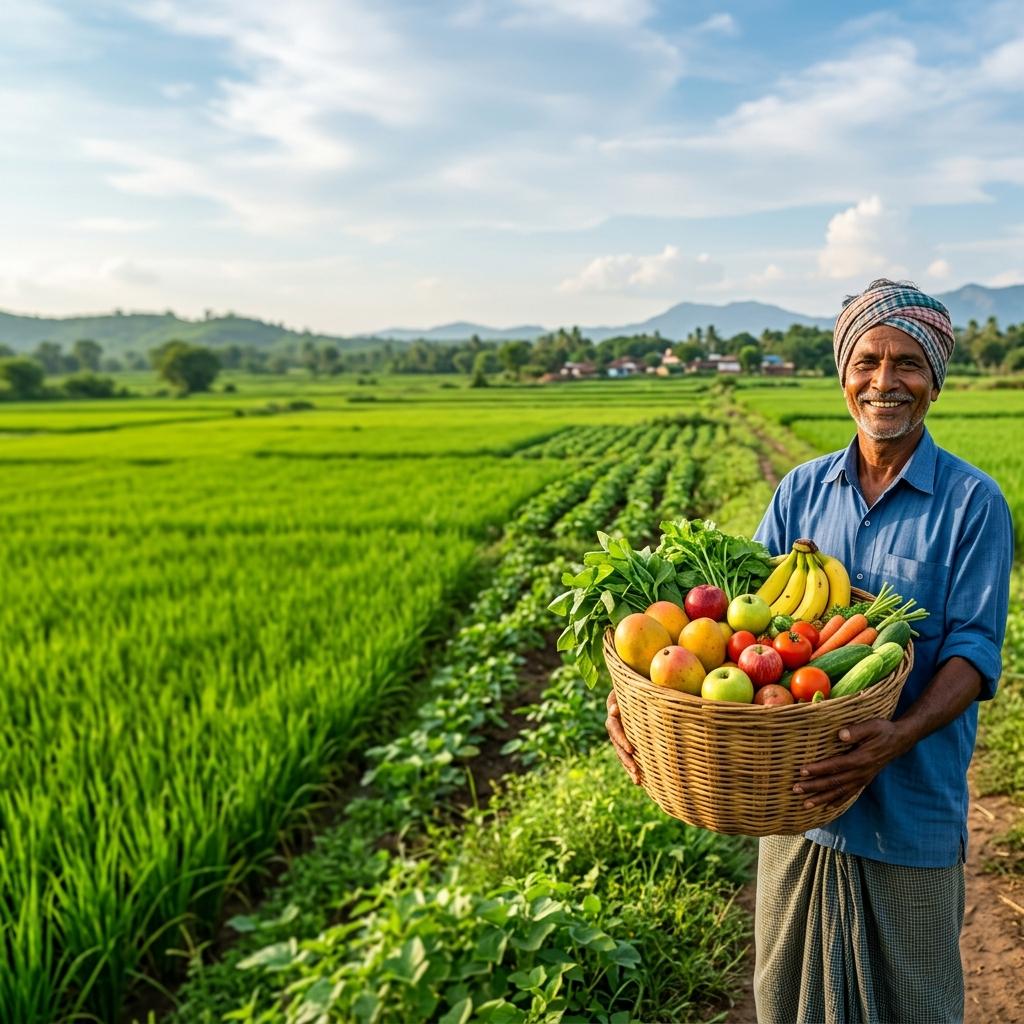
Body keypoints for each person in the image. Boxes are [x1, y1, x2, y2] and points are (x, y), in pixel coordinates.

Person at [605, 279, 1013, 1024]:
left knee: (915, 1004)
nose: (884, 382)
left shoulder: (973, 503)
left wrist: (894, 738)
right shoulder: (800, 492)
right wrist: (637, 698)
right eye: (866, 361)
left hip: (911, 807)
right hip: (797, 801)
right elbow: (735, 629)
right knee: (787, 997)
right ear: (843, 373)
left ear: (934, 382)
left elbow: (974, 652)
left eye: (907, 364)